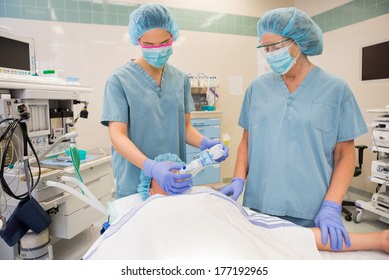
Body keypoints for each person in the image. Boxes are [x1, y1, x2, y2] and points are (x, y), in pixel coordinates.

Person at [219, 7, 368, 251]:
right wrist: (238, 179)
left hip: (311, 208)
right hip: (260, 204)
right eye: (265, 49)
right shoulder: (257, 89)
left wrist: (332, 205)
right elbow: (247, 141)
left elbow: (345, 155)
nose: (269, 54)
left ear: (298, 43)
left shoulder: (336, 89)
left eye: (275, 47)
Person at [84, 153, 389, 260]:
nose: (176, 174)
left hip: (234, 253)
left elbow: (271, 233)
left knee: (276, 238)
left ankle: (378, 238)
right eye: (166, 172)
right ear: (150, 184)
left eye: (180, 170)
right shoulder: (144, 208)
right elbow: (119, 242)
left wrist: (377, 239)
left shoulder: (205, 198)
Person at [101, 3, 228, 199]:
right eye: (149, 45)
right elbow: (117, 136)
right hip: (135, 179)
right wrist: (150, 167)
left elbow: (184, 127)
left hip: (174, 176)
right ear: (137, 40)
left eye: (163, 43)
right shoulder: (119, 80)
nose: (157, 50)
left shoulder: (180, 79)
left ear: (173, 38)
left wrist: (205, 143)